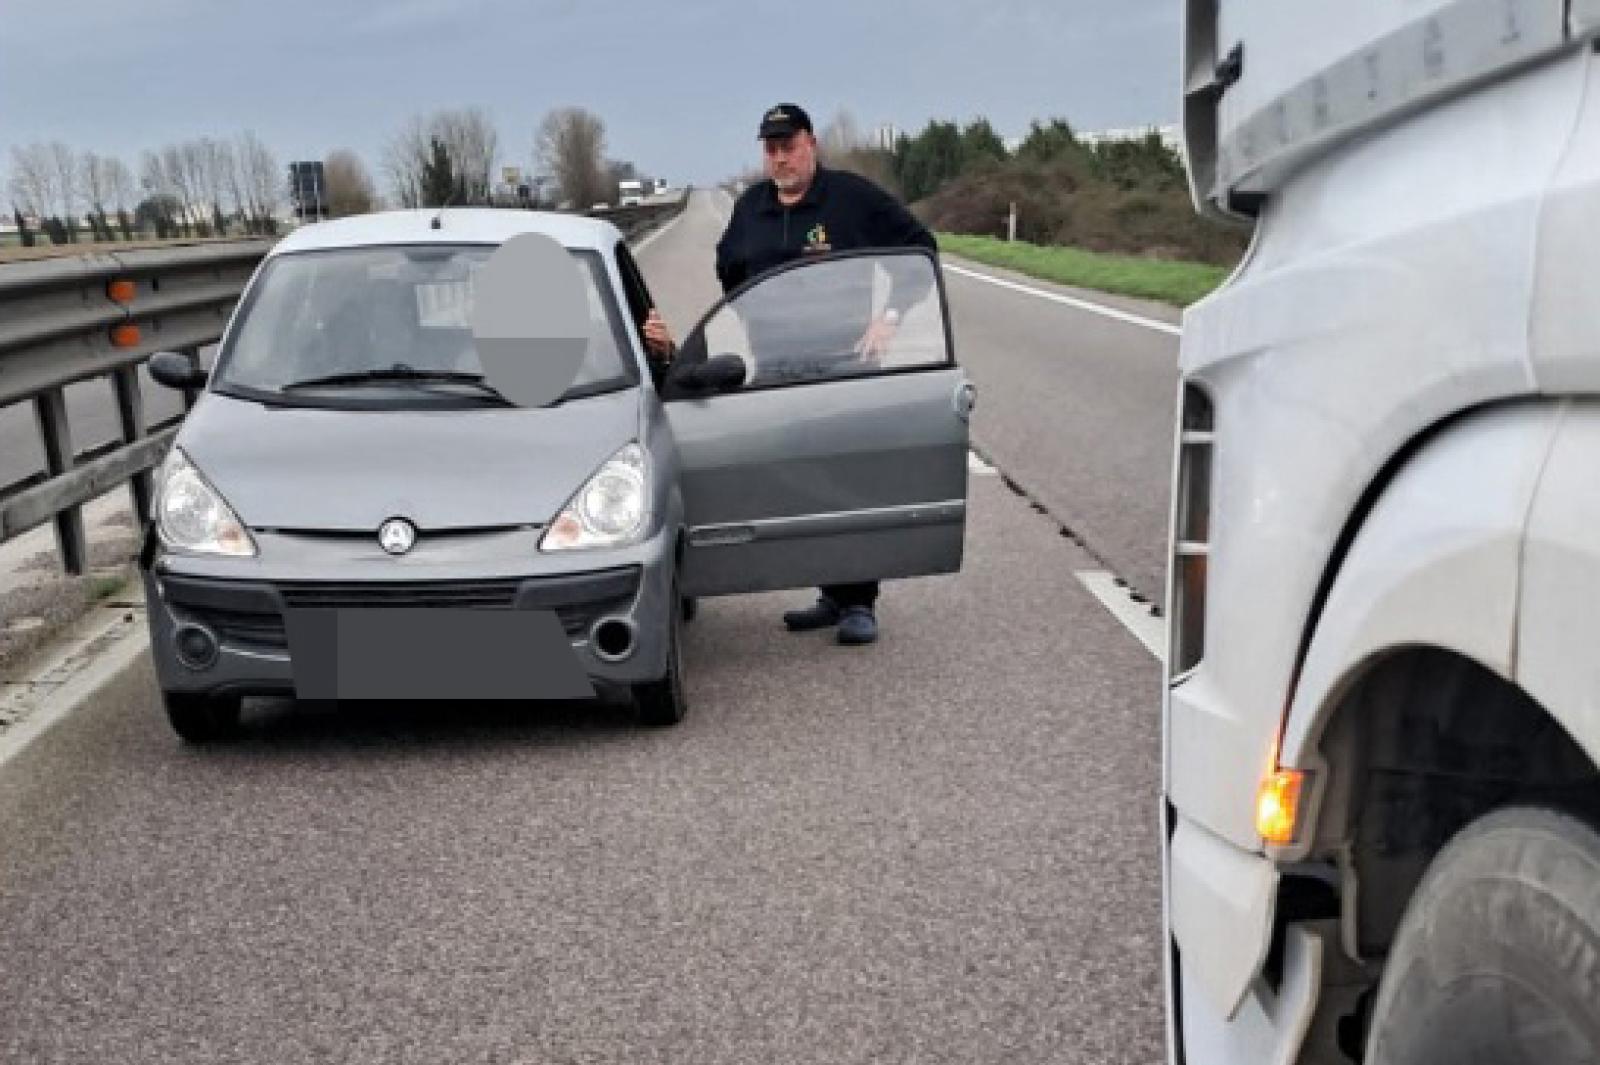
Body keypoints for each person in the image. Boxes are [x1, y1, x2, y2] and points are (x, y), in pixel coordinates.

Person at [714, 102, 939, 646]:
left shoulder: (852, 199)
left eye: (789, 145)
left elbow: (921, 251)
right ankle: (830, 593)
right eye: (770, 148)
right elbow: (728, 269)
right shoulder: (750, 209)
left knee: (849, 484)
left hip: (846, 368)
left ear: (811, 144)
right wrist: (751, 319)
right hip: (780, 371)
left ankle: (860, 601)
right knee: (802, 486)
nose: (780, 157)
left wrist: (888, 319)